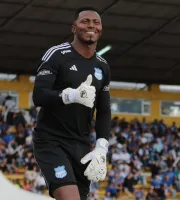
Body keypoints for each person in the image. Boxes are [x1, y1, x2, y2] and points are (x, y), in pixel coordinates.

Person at [32, 7, 111, 200]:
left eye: (96, 22)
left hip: (81, 145)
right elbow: (39, 96)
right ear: (74, 28)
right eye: (85, 21)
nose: (91, 25)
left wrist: (101, 147)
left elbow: (103, 111)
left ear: (101, 29)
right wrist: (70, 95)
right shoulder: (57, 54)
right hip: (51, 141)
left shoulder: (102, 65)